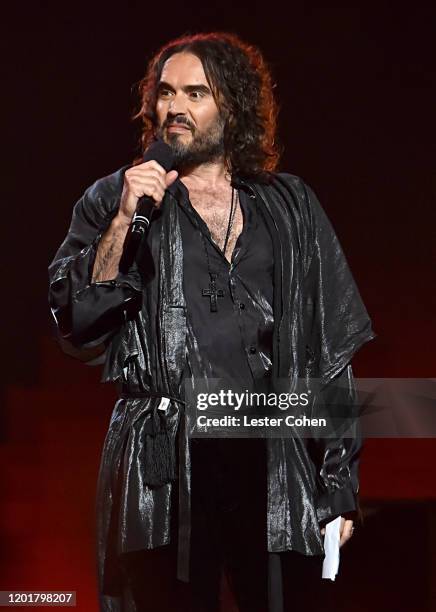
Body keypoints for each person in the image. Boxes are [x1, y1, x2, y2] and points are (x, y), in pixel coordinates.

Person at [48, 32, 376, 612]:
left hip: (271, 451)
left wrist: (339, 486)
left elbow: (333, 352)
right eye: (166, 92)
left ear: (232, 105)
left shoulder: (290, 205)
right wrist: (124, 220)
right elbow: (77, 320)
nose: (175, 107)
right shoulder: (116, 199)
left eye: (195, 93)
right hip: (165, 463)